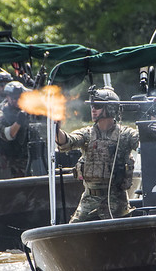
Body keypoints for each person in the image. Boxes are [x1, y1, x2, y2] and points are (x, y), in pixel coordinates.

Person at [56, 86, 139, 223]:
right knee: (72, 232)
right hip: (89, 199)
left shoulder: (125, 135)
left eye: (98, 106)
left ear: (111, 109)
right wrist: (56, 130)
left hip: (116, 200)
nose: (93, 109)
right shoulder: (87, 133)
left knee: (121, 234)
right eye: (92, 105)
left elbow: (145, 144)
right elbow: (68, 142)